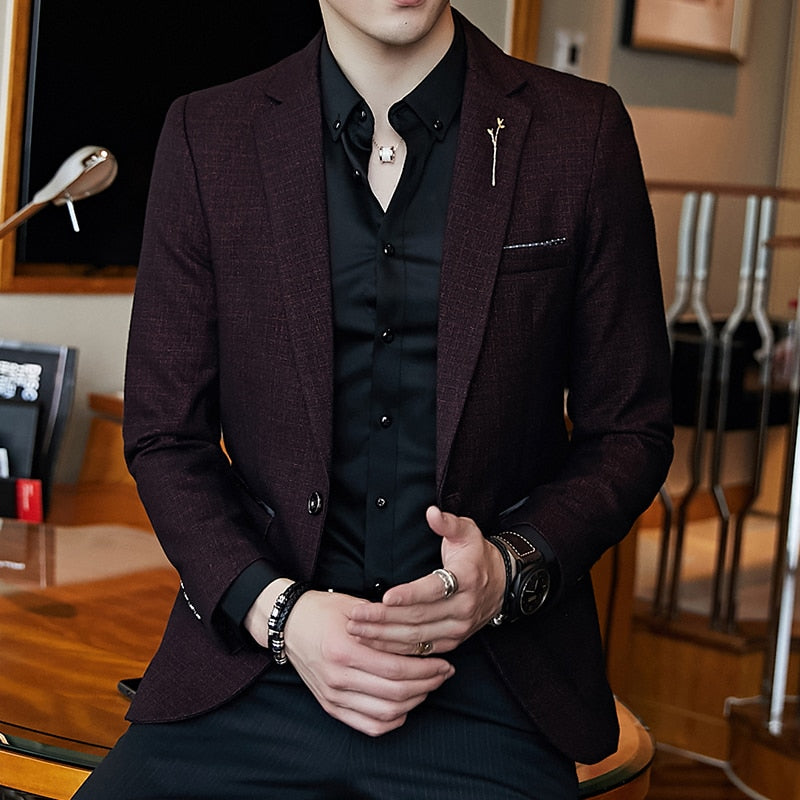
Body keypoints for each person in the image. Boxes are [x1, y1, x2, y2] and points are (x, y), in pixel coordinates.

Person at [73, 1, 673, 798]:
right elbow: (163, 434)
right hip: (260, 667)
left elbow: (630, 429)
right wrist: (279, 614)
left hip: (489, 684)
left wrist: (508, 568)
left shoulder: (580, 130)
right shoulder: (207, 134)